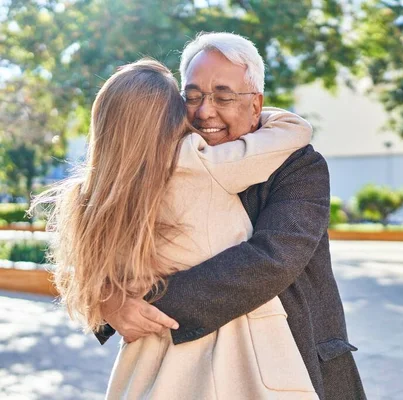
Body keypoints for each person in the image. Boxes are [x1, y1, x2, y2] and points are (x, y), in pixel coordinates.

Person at [95, 33, 366, 399]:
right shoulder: (163, 161)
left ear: (256, 105)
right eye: (192, 97)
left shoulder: (299, 165)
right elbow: (98, 232)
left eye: (223, 96)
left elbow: (273, 259)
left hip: (292, 357)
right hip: (181, 372)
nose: (205, 111)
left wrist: (147, 304)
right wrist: (108, 300)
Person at [32, 58, 319, 398]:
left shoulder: (87, 197)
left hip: (147, 366)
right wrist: (250, 104)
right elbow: (293, 130)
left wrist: (115, 302)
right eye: (189, 100)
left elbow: (85, 284)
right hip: (234, 356)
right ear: (174, 116)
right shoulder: (196, 161)